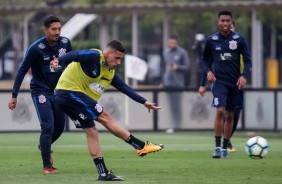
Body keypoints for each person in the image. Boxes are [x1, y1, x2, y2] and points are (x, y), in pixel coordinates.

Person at [51, 40, 164, 181]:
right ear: (107, 53)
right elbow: (75, 54)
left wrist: (144, 101)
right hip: (68, 92)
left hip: (67, 98)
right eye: (117, 58)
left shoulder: (109, 72)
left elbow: (125, 88)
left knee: (91, 130)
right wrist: (58, 61)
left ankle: (103, 173)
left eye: (121, 59)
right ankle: (140, 146)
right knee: (105, 116)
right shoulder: (95, 55)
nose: (118, 63)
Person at [8, 15, 72, 174]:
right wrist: (14, 95)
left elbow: (72, 64)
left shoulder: (65, 43)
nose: (57, 32)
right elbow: (22, 70)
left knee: (59, 128)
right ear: (46, 30)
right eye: (54, 29)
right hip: (41, 91)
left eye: (59, 28)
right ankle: (47, 166)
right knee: (48, 126)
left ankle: (44, 145)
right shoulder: (35, 48)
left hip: (59, 91)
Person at [201, 10, 252, 159]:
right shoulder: (211, 40)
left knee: (230, 115)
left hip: (235, 82)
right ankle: (217, 147)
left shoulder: (239, 39)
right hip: (219, 82)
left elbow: (248, 61)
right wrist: (208, 72)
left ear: (231, 23)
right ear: (218, 22)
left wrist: (244, 76)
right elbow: (204, 59)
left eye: (227, 21)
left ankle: (225, 147)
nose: (225, 23)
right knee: (220, 111)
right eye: (222, 21)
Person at [160, 34, 189, 133]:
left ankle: (178, 126)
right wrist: (162, 81)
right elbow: (163, 68)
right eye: (169, 42)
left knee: (177, 106)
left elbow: (187, 67)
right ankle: (172, 125)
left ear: (176, 42)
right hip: (167, 83)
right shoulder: (165, 52)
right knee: (170, 106)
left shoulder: (182, 52)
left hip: (178, 84)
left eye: (173, 42)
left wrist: (178, 67)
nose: (171, 44)